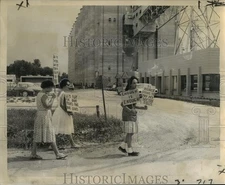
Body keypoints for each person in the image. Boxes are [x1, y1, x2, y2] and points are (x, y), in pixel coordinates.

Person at [30, 80, 67, 160]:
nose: (52, 89)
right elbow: (48, 106)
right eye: (52, 87)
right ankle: (57, 154)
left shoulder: (40, 94)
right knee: (50, 133)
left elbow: (45, 104)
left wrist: (50, 97)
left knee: (38, 134)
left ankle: (33, 153)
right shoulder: (44, 95)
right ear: (48, 87)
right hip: (44, 115)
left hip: (40, 115)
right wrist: (53, 98)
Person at [118, 76, 148, 156]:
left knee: (131, 133)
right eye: (134, 83)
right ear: (130, 84)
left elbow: (133, 106)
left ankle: (122, 146)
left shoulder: (135, 93)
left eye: (137, 83)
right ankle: (130, 150)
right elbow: (123, 104)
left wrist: (142, 107)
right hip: (127, 115)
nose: (136, 84)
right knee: (130, 132)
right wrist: (130, 110)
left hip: (132, 115)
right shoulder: (128, 92)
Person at [52, 78, 79, 149]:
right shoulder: (63, 93)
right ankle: (72, 144)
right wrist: (69, 112)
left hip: (58, 111)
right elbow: (62, 104)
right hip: (63, 112)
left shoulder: (60, 92)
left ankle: (52, 144)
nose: (68, 86)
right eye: (67, 85)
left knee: (58, 128)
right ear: (64, 85)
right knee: (66, 127)